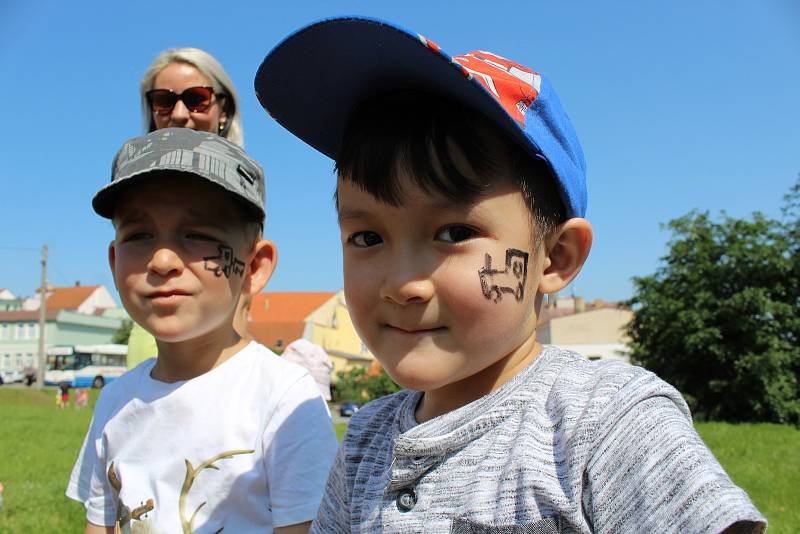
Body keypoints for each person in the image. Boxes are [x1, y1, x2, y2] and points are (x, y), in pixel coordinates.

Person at [254, 17, 767, 533]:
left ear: (556, 257)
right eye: (367, 237)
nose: (401, 283)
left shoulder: (608, 424)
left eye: (453, 233)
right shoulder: (365, 442)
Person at [66, 128, 338, 533]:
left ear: (255, 267)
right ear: (114, 260)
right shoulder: (114, 403)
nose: (161, 260)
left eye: (195, 235)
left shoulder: (284, 399)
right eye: (138, 235)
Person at [129, 47, 251, 368]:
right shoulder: (131, 184)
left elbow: (240, 288)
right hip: (147, 349)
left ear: (223, 108)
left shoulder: (244, 186)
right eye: (164, 101)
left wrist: (236, 368)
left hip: (213, 352)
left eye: (197, 98)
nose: (180, 113)